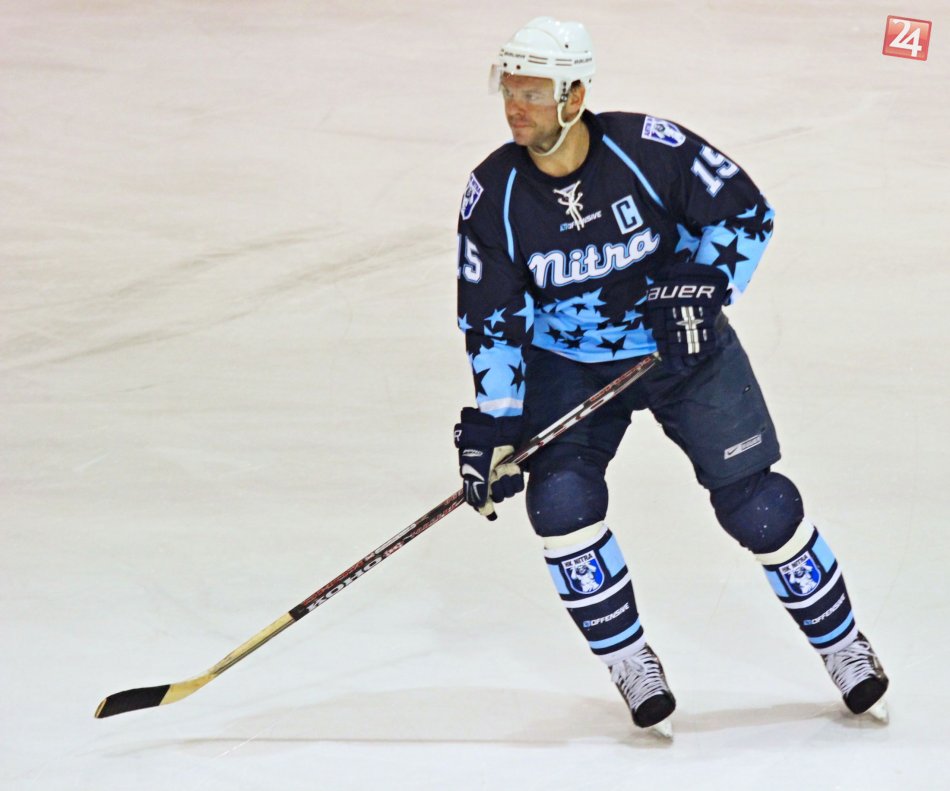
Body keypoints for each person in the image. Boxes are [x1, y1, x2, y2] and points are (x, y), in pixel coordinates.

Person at [452, 16, 889, 736]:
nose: (515, 106)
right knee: (560, 503)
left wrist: (703, 285)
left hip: (682, 348)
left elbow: (746, 213)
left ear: (574, 95)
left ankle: (843, 644)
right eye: (509, 88)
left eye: (532, 91)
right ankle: (630, 661)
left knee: (757, 503)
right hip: (570, 363)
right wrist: (497, 417)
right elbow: (493, 318)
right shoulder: (492, 192)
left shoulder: (649, 149)